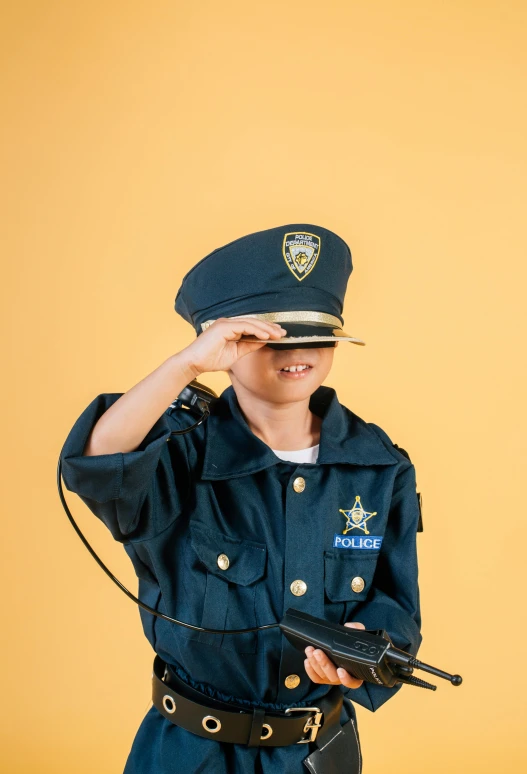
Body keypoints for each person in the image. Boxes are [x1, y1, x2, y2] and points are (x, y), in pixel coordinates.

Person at [60, 223, 423, 774]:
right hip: (192, 754)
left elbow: (396, 605)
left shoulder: (378, 468)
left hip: (317, 755)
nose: (297, 352)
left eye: (315, 335)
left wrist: (364, 649)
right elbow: (98, 463)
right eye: (271, 338)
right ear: (223, 344)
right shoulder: (179, 455)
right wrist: (184, 364)